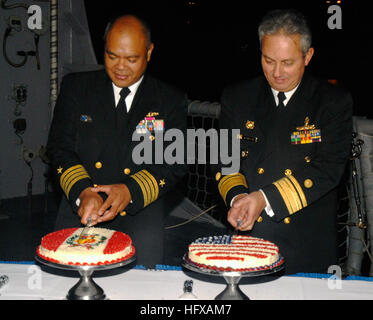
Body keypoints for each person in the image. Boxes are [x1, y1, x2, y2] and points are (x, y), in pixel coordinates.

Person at [213, 9, 353, 274]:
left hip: (305, 246)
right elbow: (224, 159)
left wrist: (263, 199)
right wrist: (239, 198)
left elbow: (328, 169)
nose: (277, 72)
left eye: (287, 62)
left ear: (307, 56)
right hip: (247, 240)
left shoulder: (332, 102)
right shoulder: (237, 97)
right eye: (268, 60)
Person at [47, 15, 188, 268]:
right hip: (80, 214)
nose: (121, 67)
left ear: (149, 52)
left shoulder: (169, 100)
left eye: (132, 59)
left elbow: (173, 164)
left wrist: (130, 191)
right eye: (112, 56)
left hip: (140, 222)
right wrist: (83, 191)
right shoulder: (77, 89)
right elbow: (60, 149)